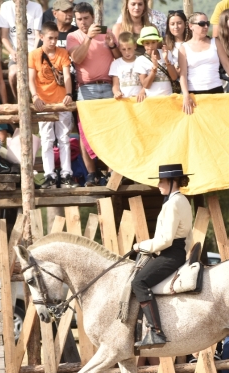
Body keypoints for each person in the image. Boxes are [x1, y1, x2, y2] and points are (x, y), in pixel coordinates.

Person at [131, 164, 193, 349]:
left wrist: (140, 246)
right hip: (178, 251)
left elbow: (165, 239)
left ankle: (156, 331)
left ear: (173, 182)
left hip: (170, 253)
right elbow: (187, 236)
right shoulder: (183, 200)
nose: (158, 184)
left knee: (138, 283)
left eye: (161, 181)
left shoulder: (173, 203)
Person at [67, 2, 120, 187]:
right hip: (86, 89)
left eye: (86, 18)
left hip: (107, 85)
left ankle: (113, 169)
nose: (83, 22)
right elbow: (77, 59)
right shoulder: (72, 36)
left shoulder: (105, 32)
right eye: (79, 19)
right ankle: (91, 173)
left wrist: (113, 45)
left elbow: (119, 58)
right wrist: (88, 38)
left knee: (111, 131)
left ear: (93, 18)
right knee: (86, 133)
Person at [29, 22, 76, 189]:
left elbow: (67, 75)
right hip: (44, 103)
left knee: (64, 139)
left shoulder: (62, 53)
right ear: (41, 37)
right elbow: (31, 78)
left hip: (61, 101)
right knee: (47, 139)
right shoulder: (34, 55)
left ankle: (66, 174)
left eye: (56, 38)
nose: (53, 41)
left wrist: (69, 94)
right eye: (50, 38)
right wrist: (35, 97)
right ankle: (49, 174)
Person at [179, 12, 229, 115]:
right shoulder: (184, 47)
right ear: (191, 26)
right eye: (202, 23)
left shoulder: (215, 42)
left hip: (216, 89)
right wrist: (186, 95)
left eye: (207, 23)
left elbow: (227, 65)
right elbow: (183, 74)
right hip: (194, 93)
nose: (206, 26)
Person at [0, 0, 43, 100]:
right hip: (15, 54)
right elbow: (4, 36)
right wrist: (12, 52)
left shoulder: (36, 7)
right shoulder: (6, 7)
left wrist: (33, 55)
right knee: (13, 74)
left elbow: (37, 36)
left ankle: (35, 99)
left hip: (33, 52)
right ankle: (18, 100)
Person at [135, 27, 178, 97]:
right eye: (147, 43)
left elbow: (174, 77)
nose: (151, 46)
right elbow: (146, 85)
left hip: (169, 97)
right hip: (152, 99)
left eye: (153, 42)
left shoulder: (167, 53)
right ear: (143, 44)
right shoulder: (140, 60)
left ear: (157, 42)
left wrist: (166, 60)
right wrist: (154, 69)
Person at [110, 32, 145, 102]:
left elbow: (146, 82)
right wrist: (116, 92)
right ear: (119, 48)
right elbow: (115, 85)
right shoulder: (116, 64)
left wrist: (142, 92)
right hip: (125, 101)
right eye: (124, 49)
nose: (127, 52)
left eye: (129, 48)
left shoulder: (142, 61)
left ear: (135, 46)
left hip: (140, 100)